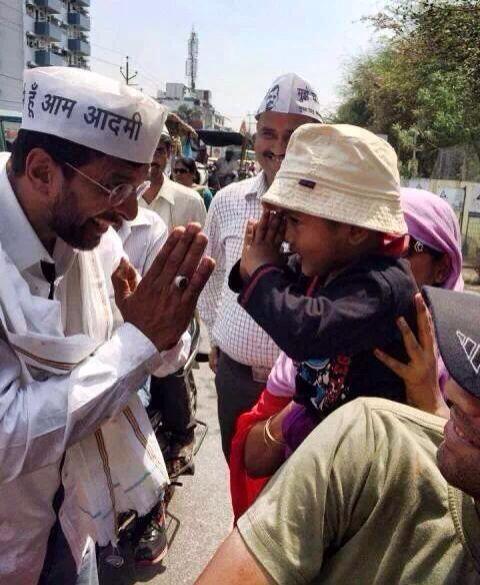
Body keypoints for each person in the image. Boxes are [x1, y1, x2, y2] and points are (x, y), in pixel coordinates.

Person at [0, 66, 215, 585]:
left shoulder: (92, 241)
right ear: (42, 170)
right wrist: (138, 342)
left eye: (138, 185)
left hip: (73, 518)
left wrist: (163, 331)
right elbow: (8, 436)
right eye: (115, 185)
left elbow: (152, 354)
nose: (128, 211)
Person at [196, 286, 480, 585]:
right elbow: (252, 457)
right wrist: (305, 407)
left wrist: (429, 404)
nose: (454, 394)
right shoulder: (373, 435)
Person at [230, 185, 463, 518]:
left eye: (406, 246)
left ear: (442, 268)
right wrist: (303, 414)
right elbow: (252, 456)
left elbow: (457, 496)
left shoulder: (464, 361)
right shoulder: (332, 318)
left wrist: (428, 402)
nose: (382, 259)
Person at [198, 72, 323, 459]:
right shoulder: (228, 201)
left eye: (296, 135)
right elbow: (213, 274)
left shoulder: (334, 216)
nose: (280, 148)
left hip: (305, 390)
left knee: (297, 505)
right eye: (269, 133)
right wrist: (217, 335)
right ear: (255, 137)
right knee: (239, 477)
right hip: (236, 378)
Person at [140, 131, 207, 486]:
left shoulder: (188, 201)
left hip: (176, 306)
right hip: (127, 307)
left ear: (169, 154)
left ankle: (183, 435)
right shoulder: (123, 193)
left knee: (172, 370)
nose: (153, 157)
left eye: (161, 149)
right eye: (148, 147)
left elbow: (202, 259)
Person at [140, 130, 207, 230]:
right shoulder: (118, 200)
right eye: (145, 150)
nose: (152, 158)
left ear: (168, 153)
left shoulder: (192, 201)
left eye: (159, 151)